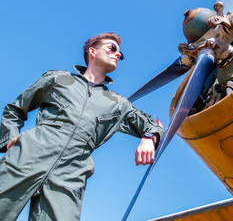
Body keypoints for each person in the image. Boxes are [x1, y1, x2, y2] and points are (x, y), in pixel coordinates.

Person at [0, 32, 164, 221]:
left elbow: (152, 124)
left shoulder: (118, 104)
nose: (118, 54)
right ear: (92, 51)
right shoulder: (57, 79)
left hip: (70, 176)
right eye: (112, 48)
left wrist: (149, 138)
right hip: (27, 157)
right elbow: (15, 109)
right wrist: (10, 139)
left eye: (120, 53)